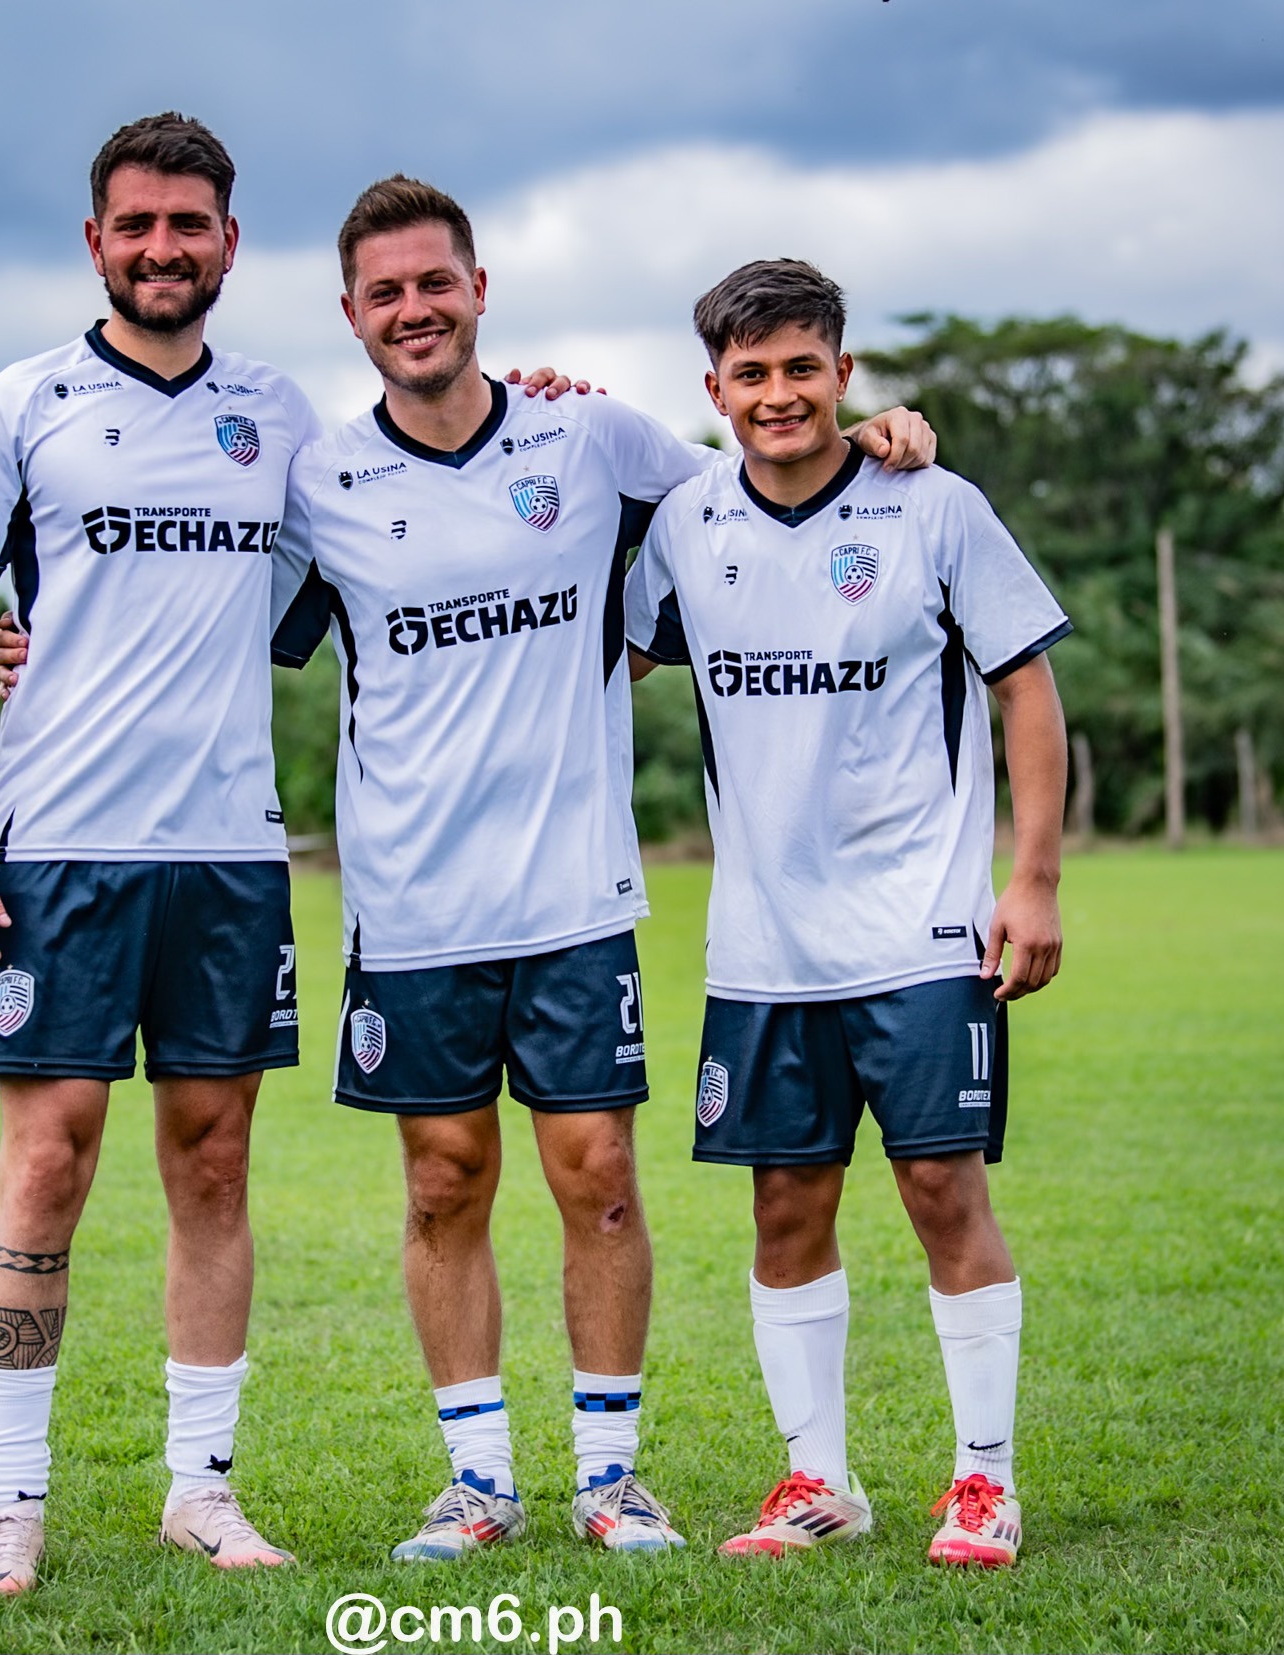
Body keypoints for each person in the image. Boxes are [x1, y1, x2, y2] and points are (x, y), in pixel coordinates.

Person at [0, 114, 581, 1596]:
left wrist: (537, 402)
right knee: (46, 1162)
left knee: (212, 1164)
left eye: (190, 224)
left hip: (228, 851)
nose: (163, 248)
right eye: (137, 225)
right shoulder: (19, 407)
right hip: (59, 851)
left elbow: (419, 488)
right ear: (96, 241)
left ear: (229, 242)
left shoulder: (284, 420)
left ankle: (198, 1487)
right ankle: (9, 1496)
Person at [240, 181, 930, 1560]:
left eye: (434, 282)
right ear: (351, 314)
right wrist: (26, 645)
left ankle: (610, 1477)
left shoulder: (589, 433)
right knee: (442, 1181)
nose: (413, 309)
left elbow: (763, 487)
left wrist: (871, 431)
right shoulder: (318, 484)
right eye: (385, 292)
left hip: (573, 894)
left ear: (477, 287)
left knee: (598, 1173)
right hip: (412, 901)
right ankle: (477, 1482)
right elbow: (211, 622)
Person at [625, 259, 1069, 1568]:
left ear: (842, 374)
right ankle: (816, 1476)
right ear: (712, 389)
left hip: (923, 926)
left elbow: (1025, 688)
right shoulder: (679, 527)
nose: (777, 394)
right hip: (762, 947)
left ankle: (982, 1481)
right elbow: (598, 643)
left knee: (941, 1184)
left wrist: (1031, 878)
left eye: (799, 367)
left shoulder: (932, 506)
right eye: (749, 374)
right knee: (784, 1205)